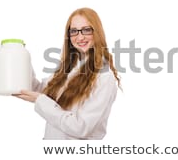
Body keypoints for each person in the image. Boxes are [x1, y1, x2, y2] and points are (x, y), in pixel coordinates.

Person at [14, 7, 120, 140]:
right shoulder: (68, 68)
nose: (80, 37)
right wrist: (22, 59)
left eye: (86, 30)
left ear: (97, 32)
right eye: (74, 31)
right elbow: (41, 92)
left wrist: (39, 100)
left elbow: (81, 128)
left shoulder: (104, 77)